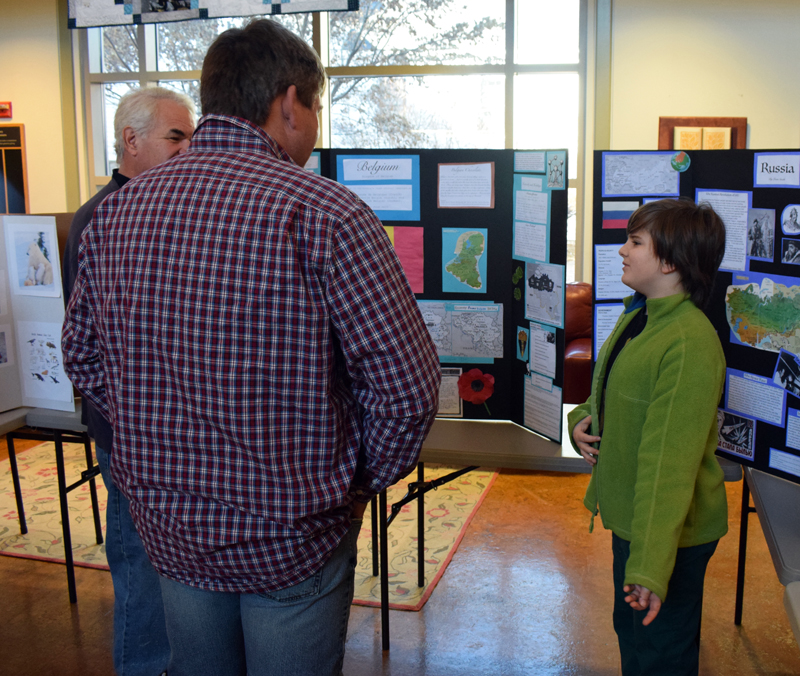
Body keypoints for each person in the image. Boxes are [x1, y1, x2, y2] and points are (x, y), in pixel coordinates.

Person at [62, 18, 441, 676]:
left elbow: (84, 359)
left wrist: (152, 445)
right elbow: (406, 390)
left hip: (172, 530)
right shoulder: (326, 213)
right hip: (292, 536)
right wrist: (352, 485)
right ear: (289, 101)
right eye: (316, 107)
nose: (314, 124)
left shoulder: (114, 214)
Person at [62, 86, 195, 676]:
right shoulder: (104, 219)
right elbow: (89, 347)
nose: (190, 148)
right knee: (141, 568)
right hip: (132, 436)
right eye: (176, 137)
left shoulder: (168, 209)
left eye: (192, 134)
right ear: (130, 141)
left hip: (170, 432)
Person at [568, 198, 728, 676]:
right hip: (635, 523)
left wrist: (649, 569)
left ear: (670, 261)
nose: (622, 250)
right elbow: (611, 387)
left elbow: (668, 466)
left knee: (661, 655)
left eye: (635, 241)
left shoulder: (689, 342)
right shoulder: (641, 316)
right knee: (634, 637)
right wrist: (583, 418)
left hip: (667, 533)